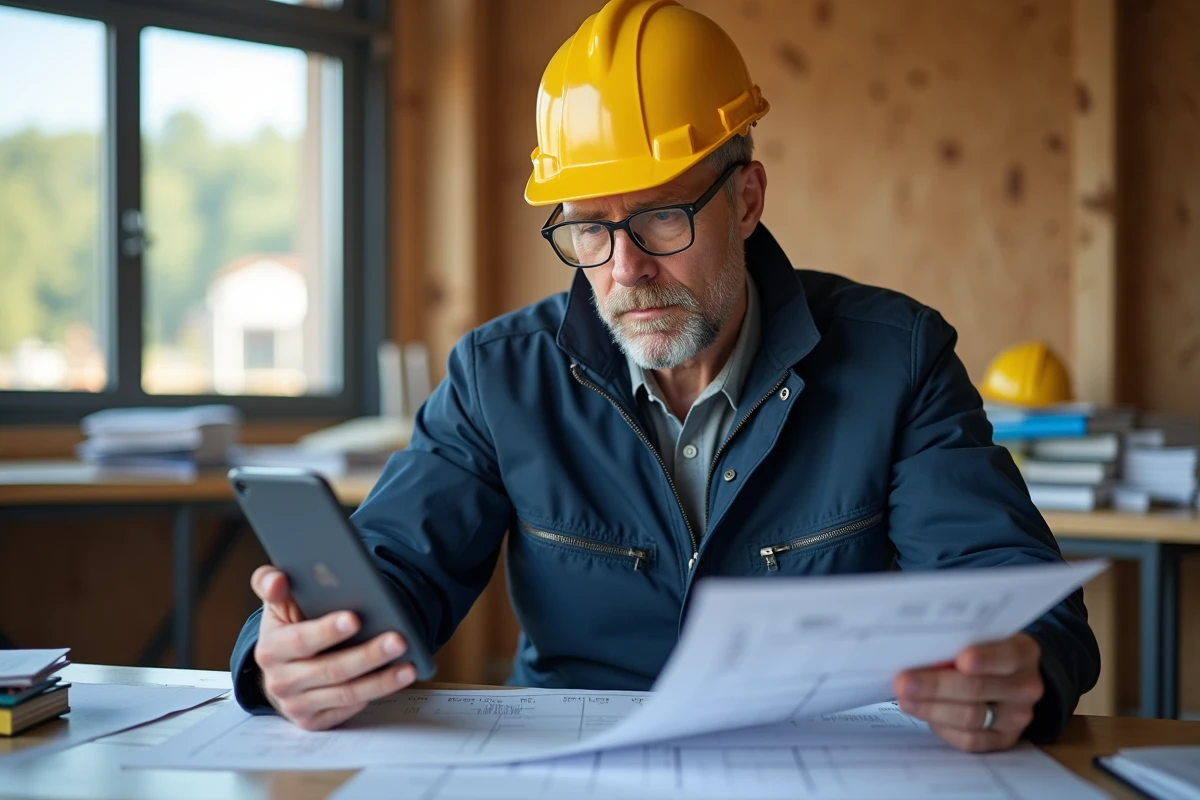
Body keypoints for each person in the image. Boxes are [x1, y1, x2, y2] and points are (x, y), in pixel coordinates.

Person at [231, 0, 1098, 752]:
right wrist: (290, 652)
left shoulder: (897, 360)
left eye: (661, 218)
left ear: (747, 200)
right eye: (589, 231)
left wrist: (1025, 666)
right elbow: (390, 570)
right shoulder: (499, 378)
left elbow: (1013, 588)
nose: (624, 271)